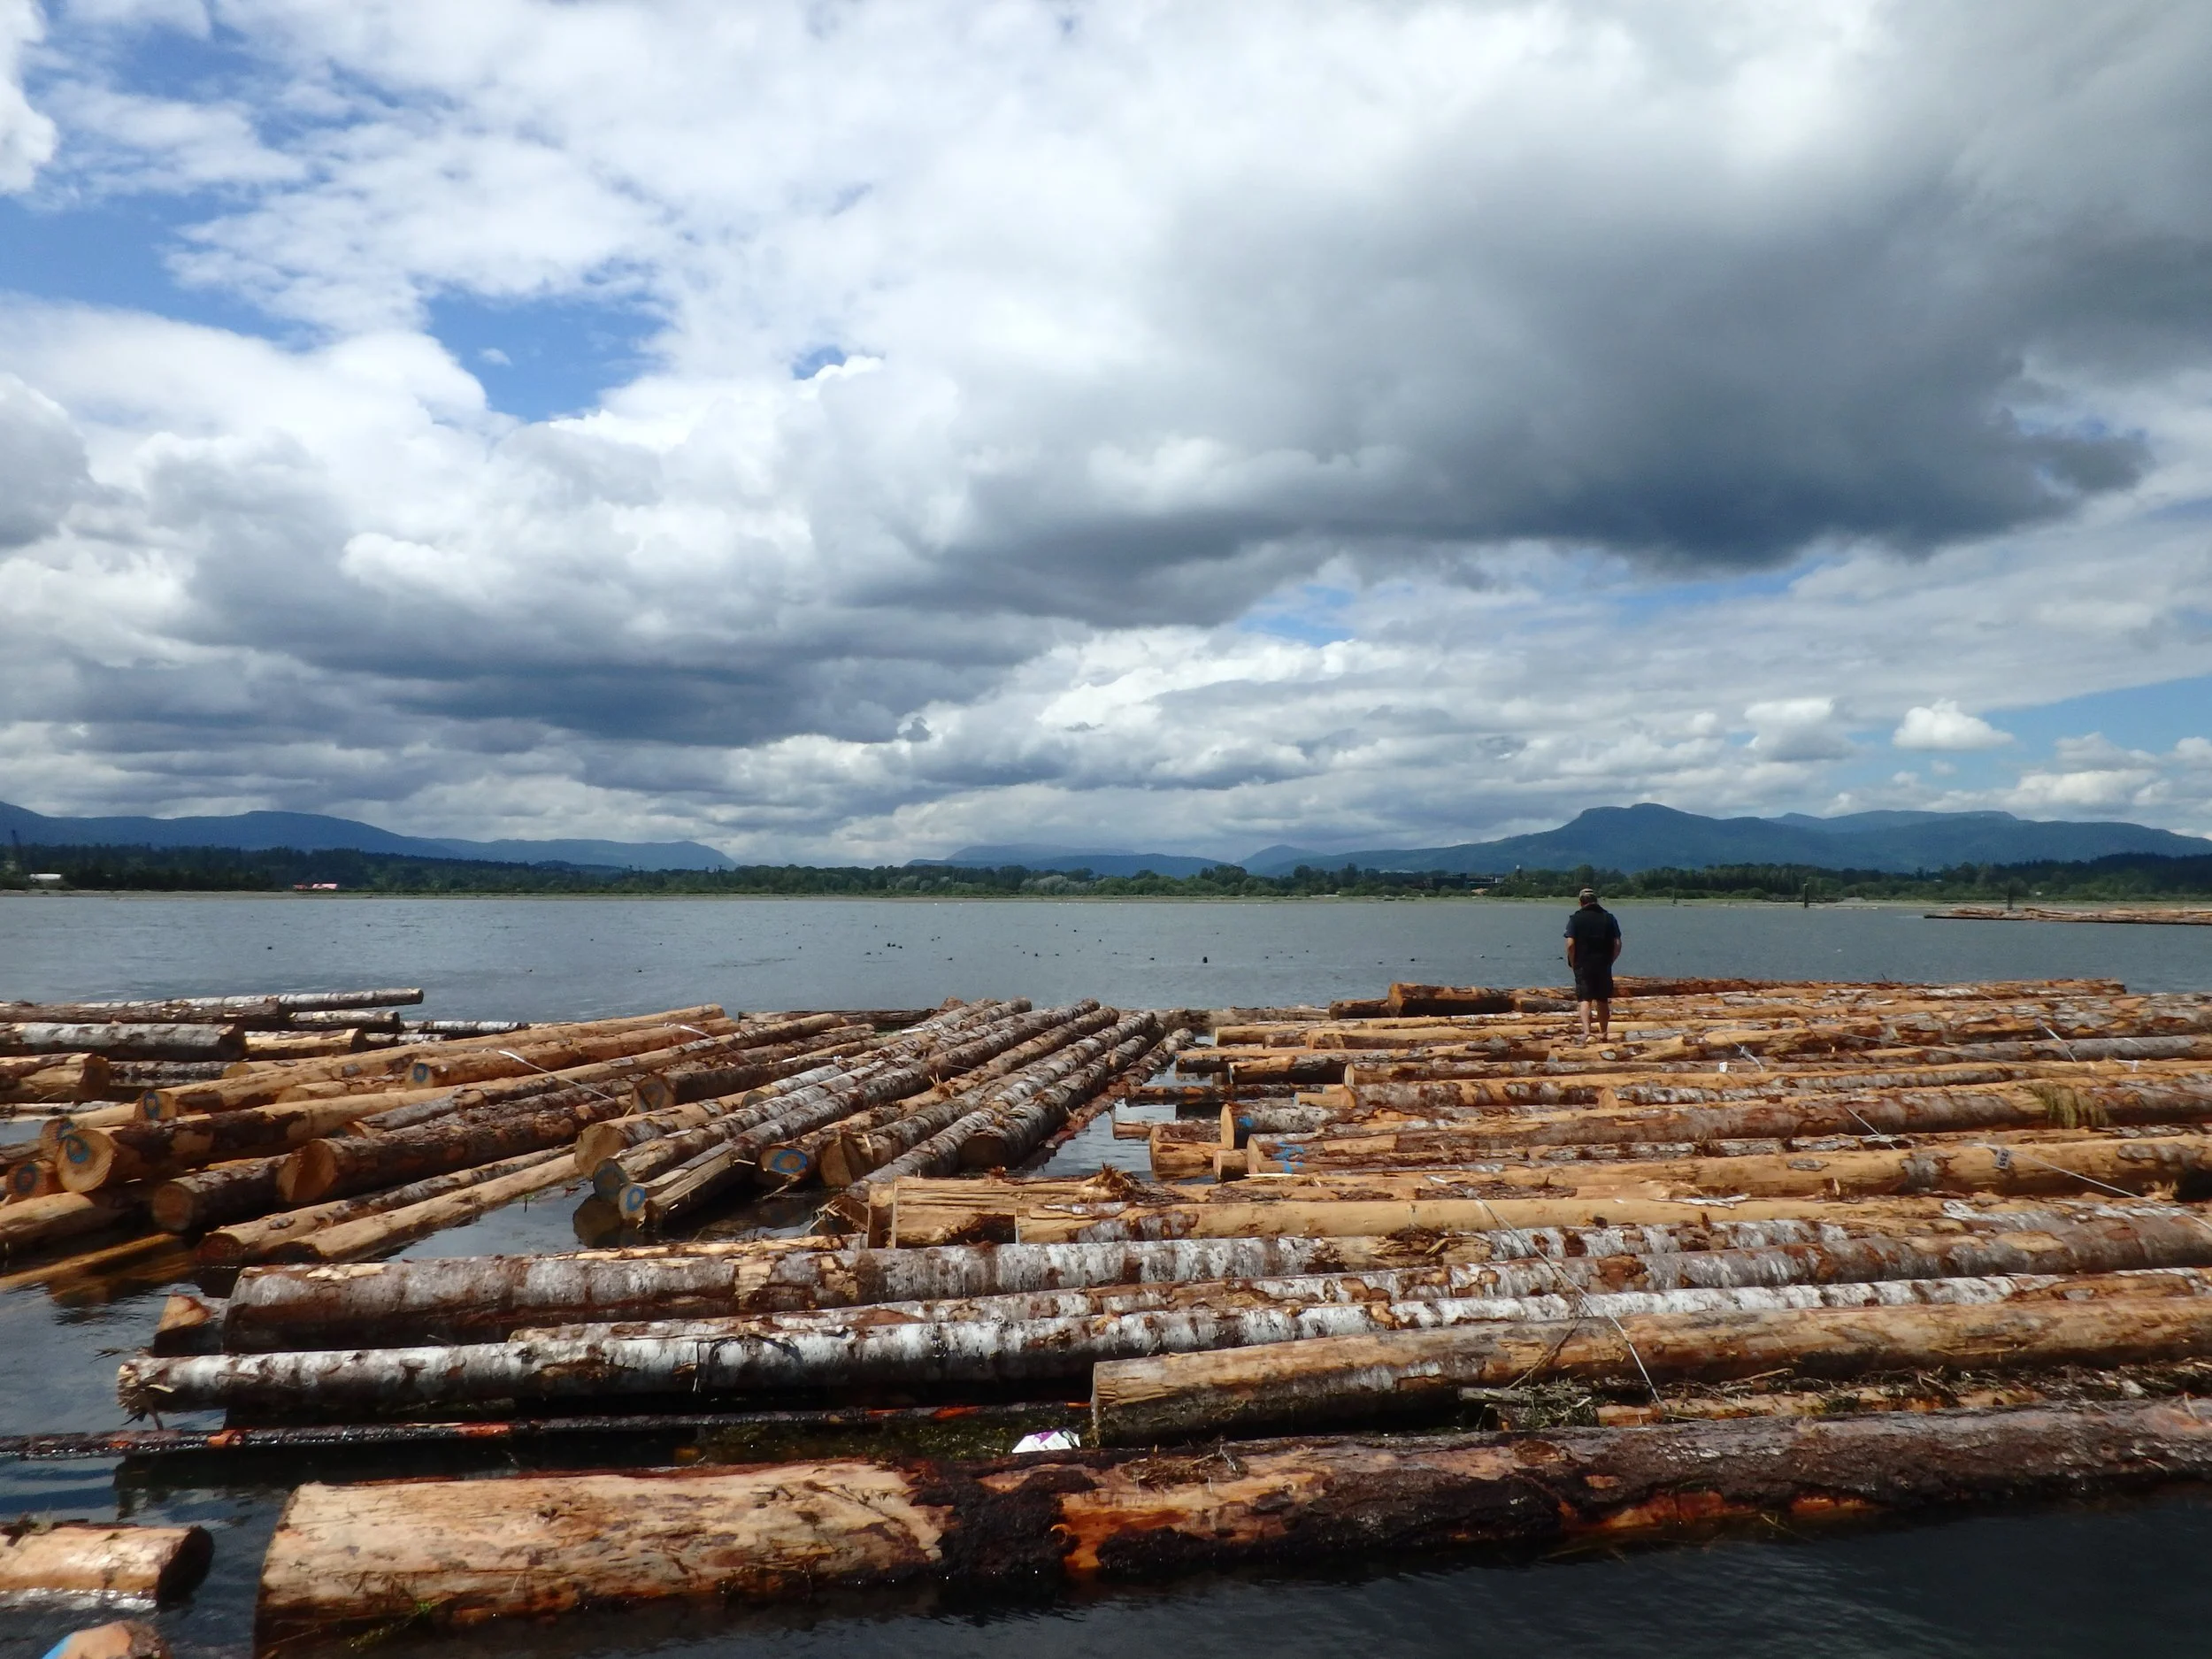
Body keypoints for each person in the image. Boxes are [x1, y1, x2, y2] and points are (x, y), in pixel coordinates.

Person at [1563, 886, 1622, 1041]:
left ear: (1581, 902)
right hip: (1603, 963)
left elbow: (1570, 944)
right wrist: (1611, 960)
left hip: (1583, 964)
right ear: (1596, 901)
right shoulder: (1609, 918)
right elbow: (1617, 943)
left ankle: (1587, 1032)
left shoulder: (1575, 919)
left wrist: (1573, 961)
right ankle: (1603, 1033)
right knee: (1602, 1000)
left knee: (1585, 999)